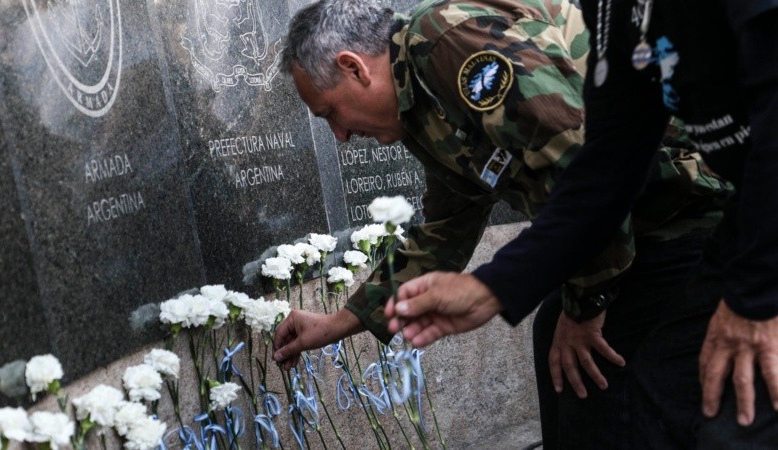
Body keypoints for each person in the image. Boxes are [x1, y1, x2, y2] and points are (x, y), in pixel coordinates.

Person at [272, 0, 730, 447]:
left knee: (593, 367)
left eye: (330, 112)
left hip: (695, 210)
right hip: (637, 225)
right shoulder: (421, 100)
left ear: (354, 67)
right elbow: (446, 230)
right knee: (558, 338)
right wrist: (339, 322)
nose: (341, 135)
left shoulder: (447, 42)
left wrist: (588, 304)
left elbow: (578, 164)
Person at [386, 0, 778, 447]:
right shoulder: (613, 8)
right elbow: (607, 167)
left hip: (749, 227)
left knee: (737, 427)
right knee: (662, 397)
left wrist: (755, 296)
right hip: (749, 211)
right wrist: (491, 288)